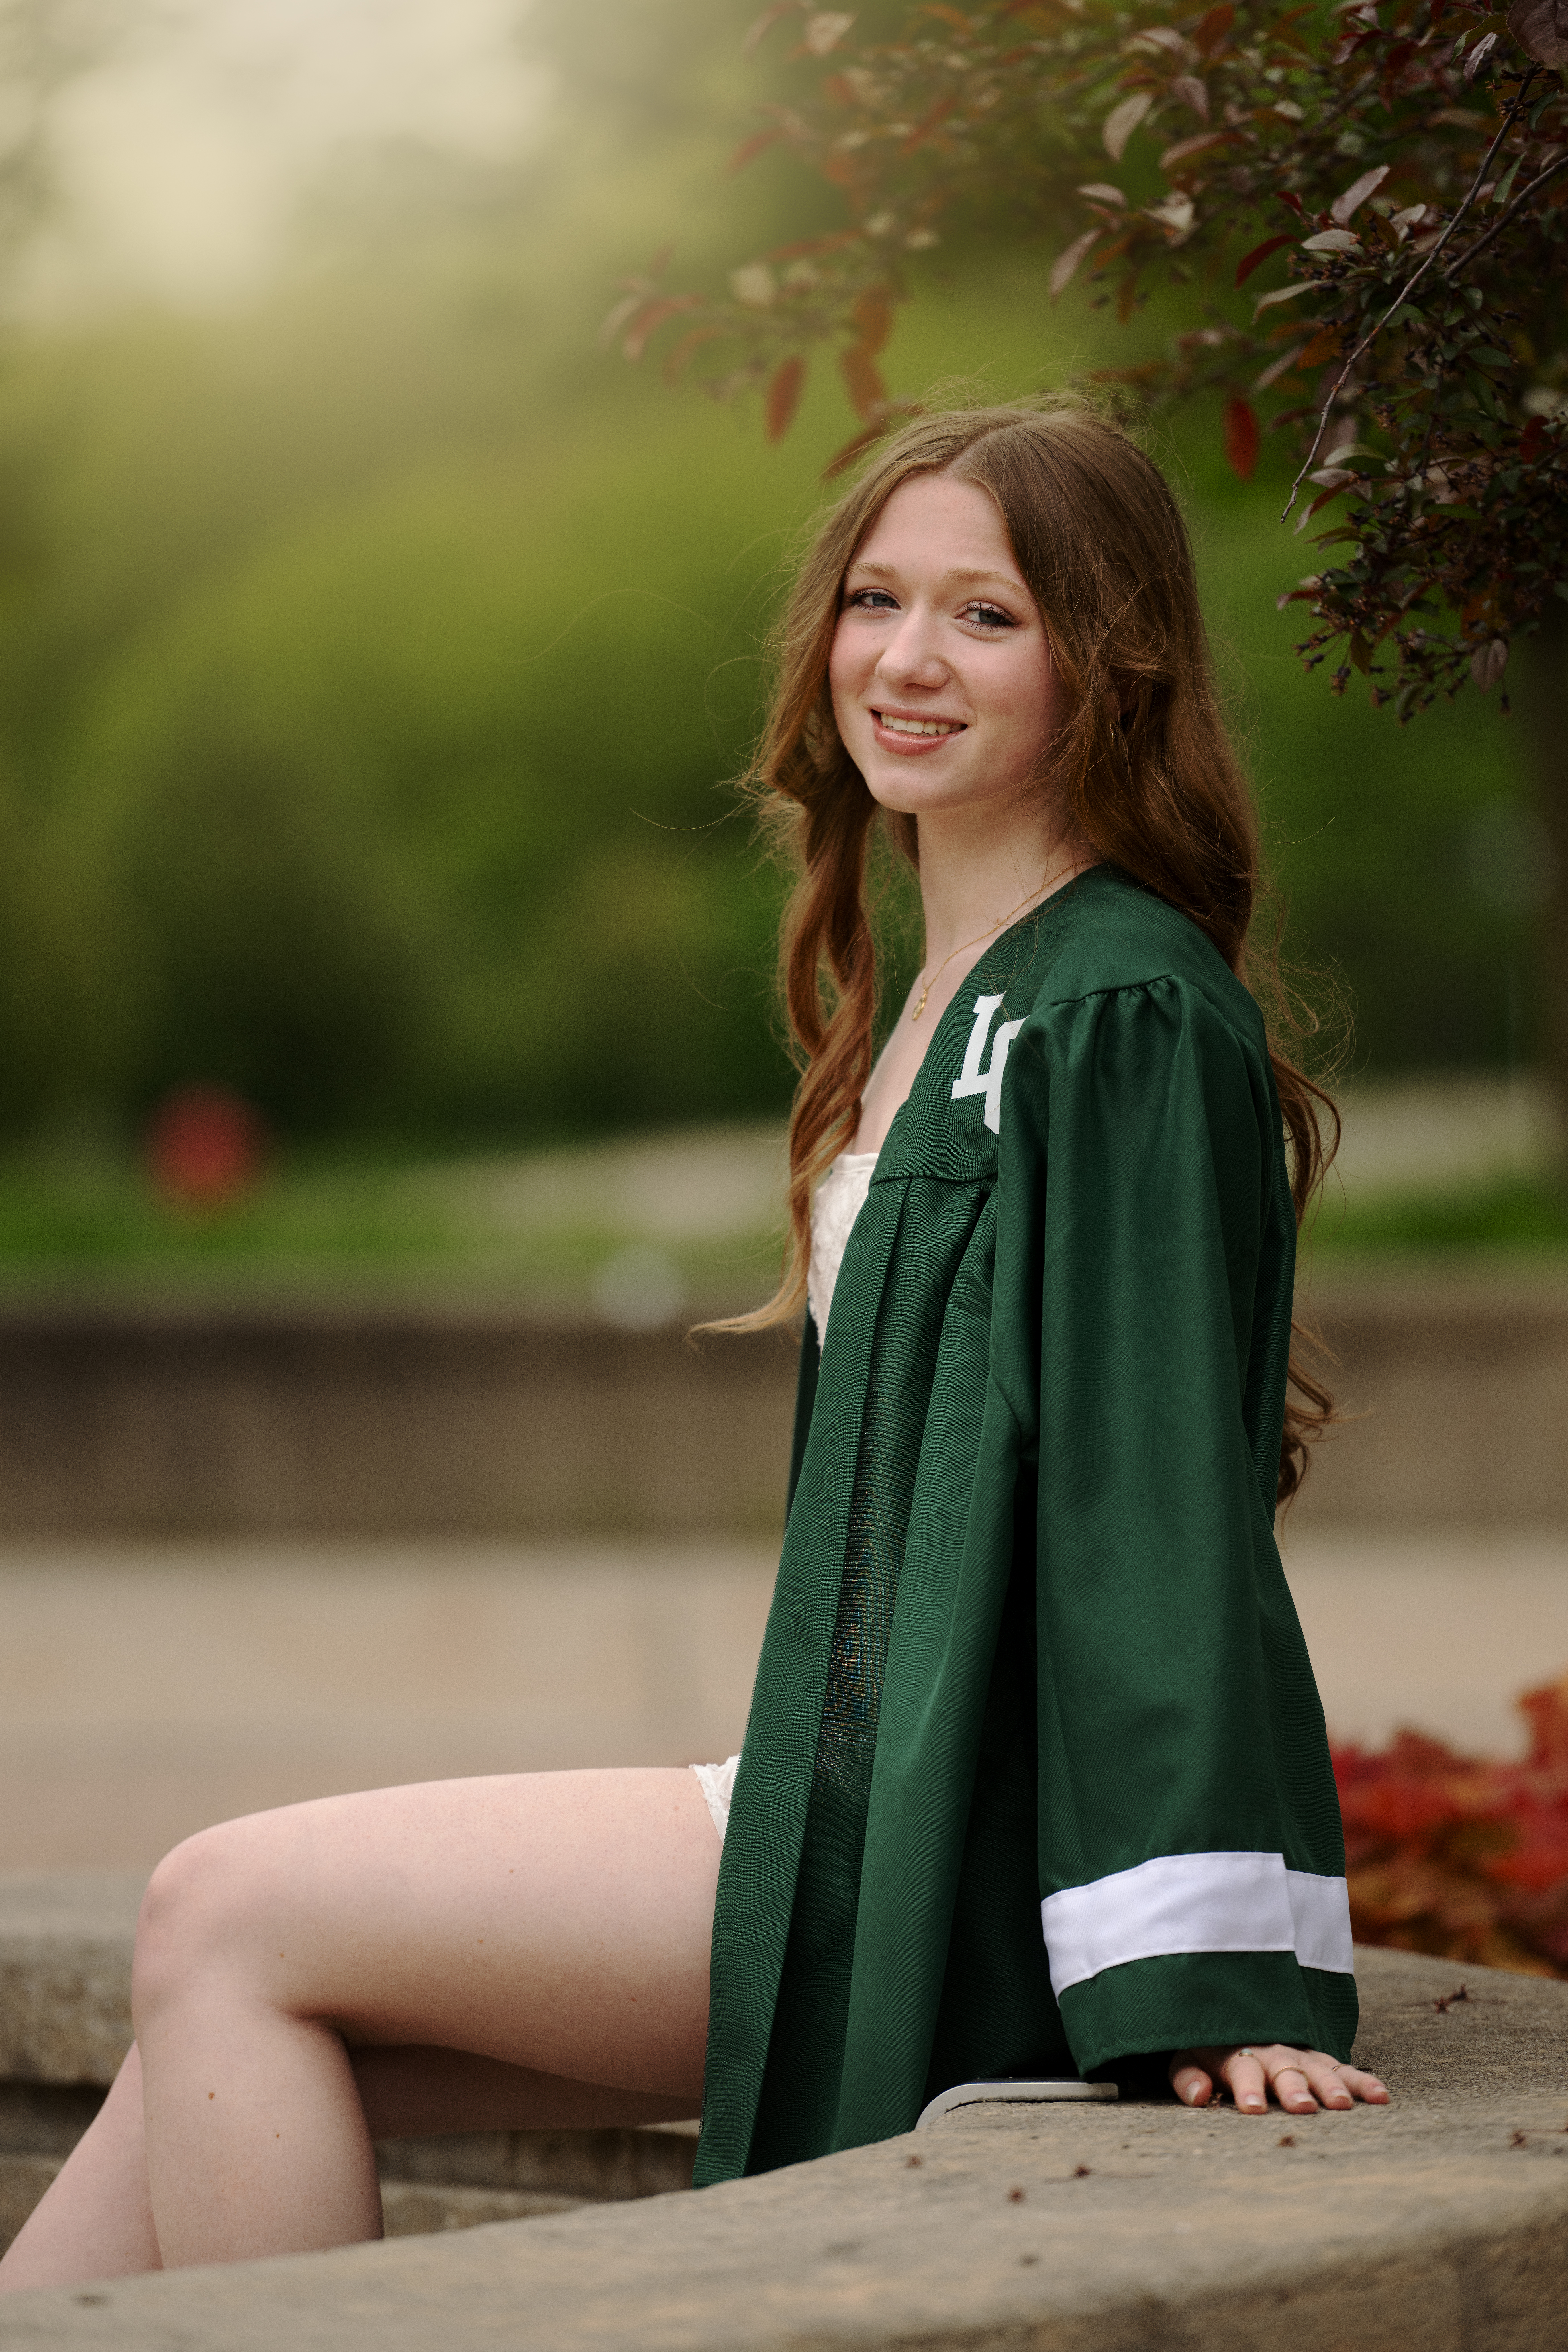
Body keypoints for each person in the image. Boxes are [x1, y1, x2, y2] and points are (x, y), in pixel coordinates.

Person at [0, 398, 1385, 2293]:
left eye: (987, 616)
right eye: (877, 598)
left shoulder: (1117, 1010)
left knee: (218, 1904)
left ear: (1112, 657)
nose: (905, 658)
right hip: (862, 1767)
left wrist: (1203, 1966)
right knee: (213, 2017)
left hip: (969, 1832)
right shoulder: (950, 1001)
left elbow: (1157, 1509)